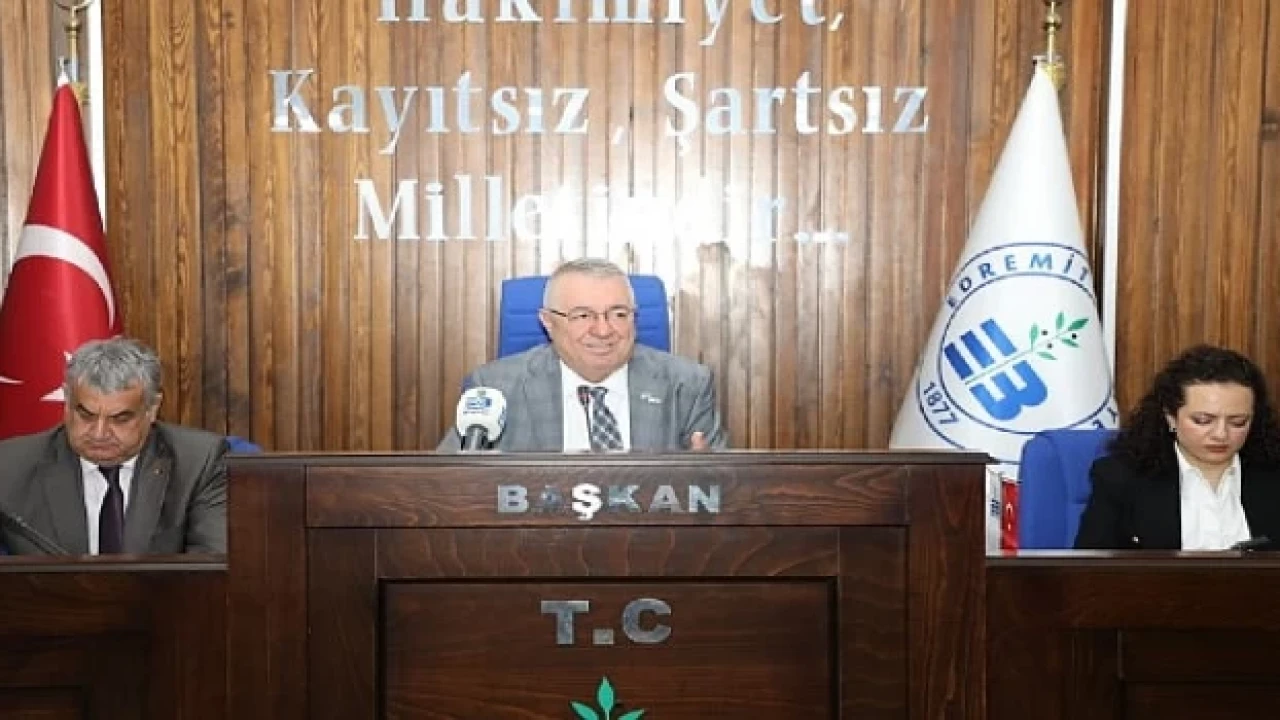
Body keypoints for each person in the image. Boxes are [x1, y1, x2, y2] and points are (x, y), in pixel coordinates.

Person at [438, 258, 727, 451]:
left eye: (618, 314)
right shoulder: (495, 389)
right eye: (582, 316)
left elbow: (726, 493)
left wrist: (709, 477)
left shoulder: (687, 386)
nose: (603, 330)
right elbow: (448, 487)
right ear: (548, 322)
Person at [0, 337, 227, 555]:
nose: (99, 434)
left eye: (120, 419)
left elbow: (212, 566)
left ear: (152, 408)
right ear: (67, 403)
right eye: (86, 415)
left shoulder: (198, 463)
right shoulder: (8, 467)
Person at [1075, 344, 1280, 550]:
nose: (1221, 434)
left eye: (1238, 422)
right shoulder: (1122, 478)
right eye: (1203, 420)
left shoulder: (1272, 475)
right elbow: (1090, 564)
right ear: (1171, 417)